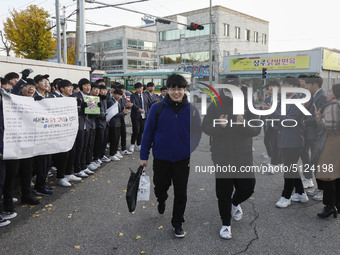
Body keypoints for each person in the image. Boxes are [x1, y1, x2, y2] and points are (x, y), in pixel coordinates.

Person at [140, 74, 202, 238]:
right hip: (161, 158)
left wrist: (189, 148)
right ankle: (161, 199)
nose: (176, 92)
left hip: (182, 159)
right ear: (167, 90)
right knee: (160, 187)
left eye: (179, 89)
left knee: (181, 193)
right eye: (173, 89)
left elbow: (197, 132)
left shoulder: (192, 110)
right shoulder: (157, 108)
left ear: (184, 90)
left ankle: (178, 223)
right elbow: (147, 133)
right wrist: (144, 155)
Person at [202, 75, 261, 240]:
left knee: (248, 187)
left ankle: (235, 203)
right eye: (227, 87)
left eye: (234, 87)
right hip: (222, 155)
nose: (230, 90)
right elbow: (206, 126)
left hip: (243, 154)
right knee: (223, 191)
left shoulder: (247, 104)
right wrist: (219, 126)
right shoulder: (215, 103)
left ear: (240, 87)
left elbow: (256, 129)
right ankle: (226, 224)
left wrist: (243, 124)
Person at [274, 77, 309, 208]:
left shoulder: (298, 101)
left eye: (286, 85)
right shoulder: (284, 100)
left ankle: (286, 196)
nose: (283, 88)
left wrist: (274, 113)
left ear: (295, 87)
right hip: (285, 139)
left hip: (294, 140)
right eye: (283, 85)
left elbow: (289, 121)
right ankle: (301, 193)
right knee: (291, 167)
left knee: (289, 168)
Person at [314, 83, 340, 218]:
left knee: (327, 174)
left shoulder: (333, 106)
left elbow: (331, 125)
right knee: (336, 173)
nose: (328, 94)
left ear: (335, 94)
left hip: (332, 143)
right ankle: (337, 204)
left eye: (330, 91)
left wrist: (318, 117)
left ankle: (329, 206)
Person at [53, 80, 82, 187]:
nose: (71, 89)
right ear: (61, 89)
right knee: (63, 155)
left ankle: (68, 173)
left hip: (72, 129)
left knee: (72, 152)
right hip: (61, 131)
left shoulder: (72, 99)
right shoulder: (56, 99)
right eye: (68, 87)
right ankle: (61, 177)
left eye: (71, 87)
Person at [303, 75, 328, 199]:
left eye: (308, 85)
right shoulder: (315, 96)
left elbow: (319, 117)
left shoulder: (321, 97)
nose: (306, 87)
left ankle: (322, 190)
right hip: (312, 134)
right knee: (314, 161)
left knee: (317, 162)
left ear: (315, 85)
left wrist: (304, 122)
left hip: (317, 135)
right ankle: (319, 188)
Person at [71, 78, 95, 178]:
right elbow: (73, 111)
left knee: (85, 147)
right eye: (85, 85)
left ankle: (84, 166)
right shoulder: (75, 96)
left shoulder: (90, 97)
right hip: (79, 125)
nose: (88, 87)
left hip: (87, 125)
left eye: (89, 85)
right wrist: (81, 108)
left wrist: (95, 108)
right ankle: (77, 169)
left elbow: (92, 114)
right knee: (79, 148)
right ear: (81, 86)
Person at [107, 88, 131, 161]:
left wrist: (125, 111)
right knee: (113, 139)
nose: (119, 97)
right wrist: (123, 113)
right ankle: (112, 154)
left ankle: (114, 152)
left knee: (117, 138)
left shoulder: (117, 101)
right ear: (114, 94)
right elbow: (112, 114)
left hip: (118, 122)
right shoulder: (111, 101)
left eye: (120, 95)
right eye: (118, 95)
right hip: (113, 123)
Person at [129, 83, 149, 152]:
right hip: (136, 116)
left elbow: (149, 103)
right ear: (135, 89)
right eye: (138, 88)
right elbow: (133, 104)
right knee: (136, 130)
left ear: (142, 87)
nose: (139, 89)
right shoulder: (133, 95)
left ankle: (138, 145)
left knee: (141, 131)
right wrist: (139, 109)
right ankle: (132, 144)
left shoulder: (146, 95)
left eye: (140, 88)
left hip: (144, 116)